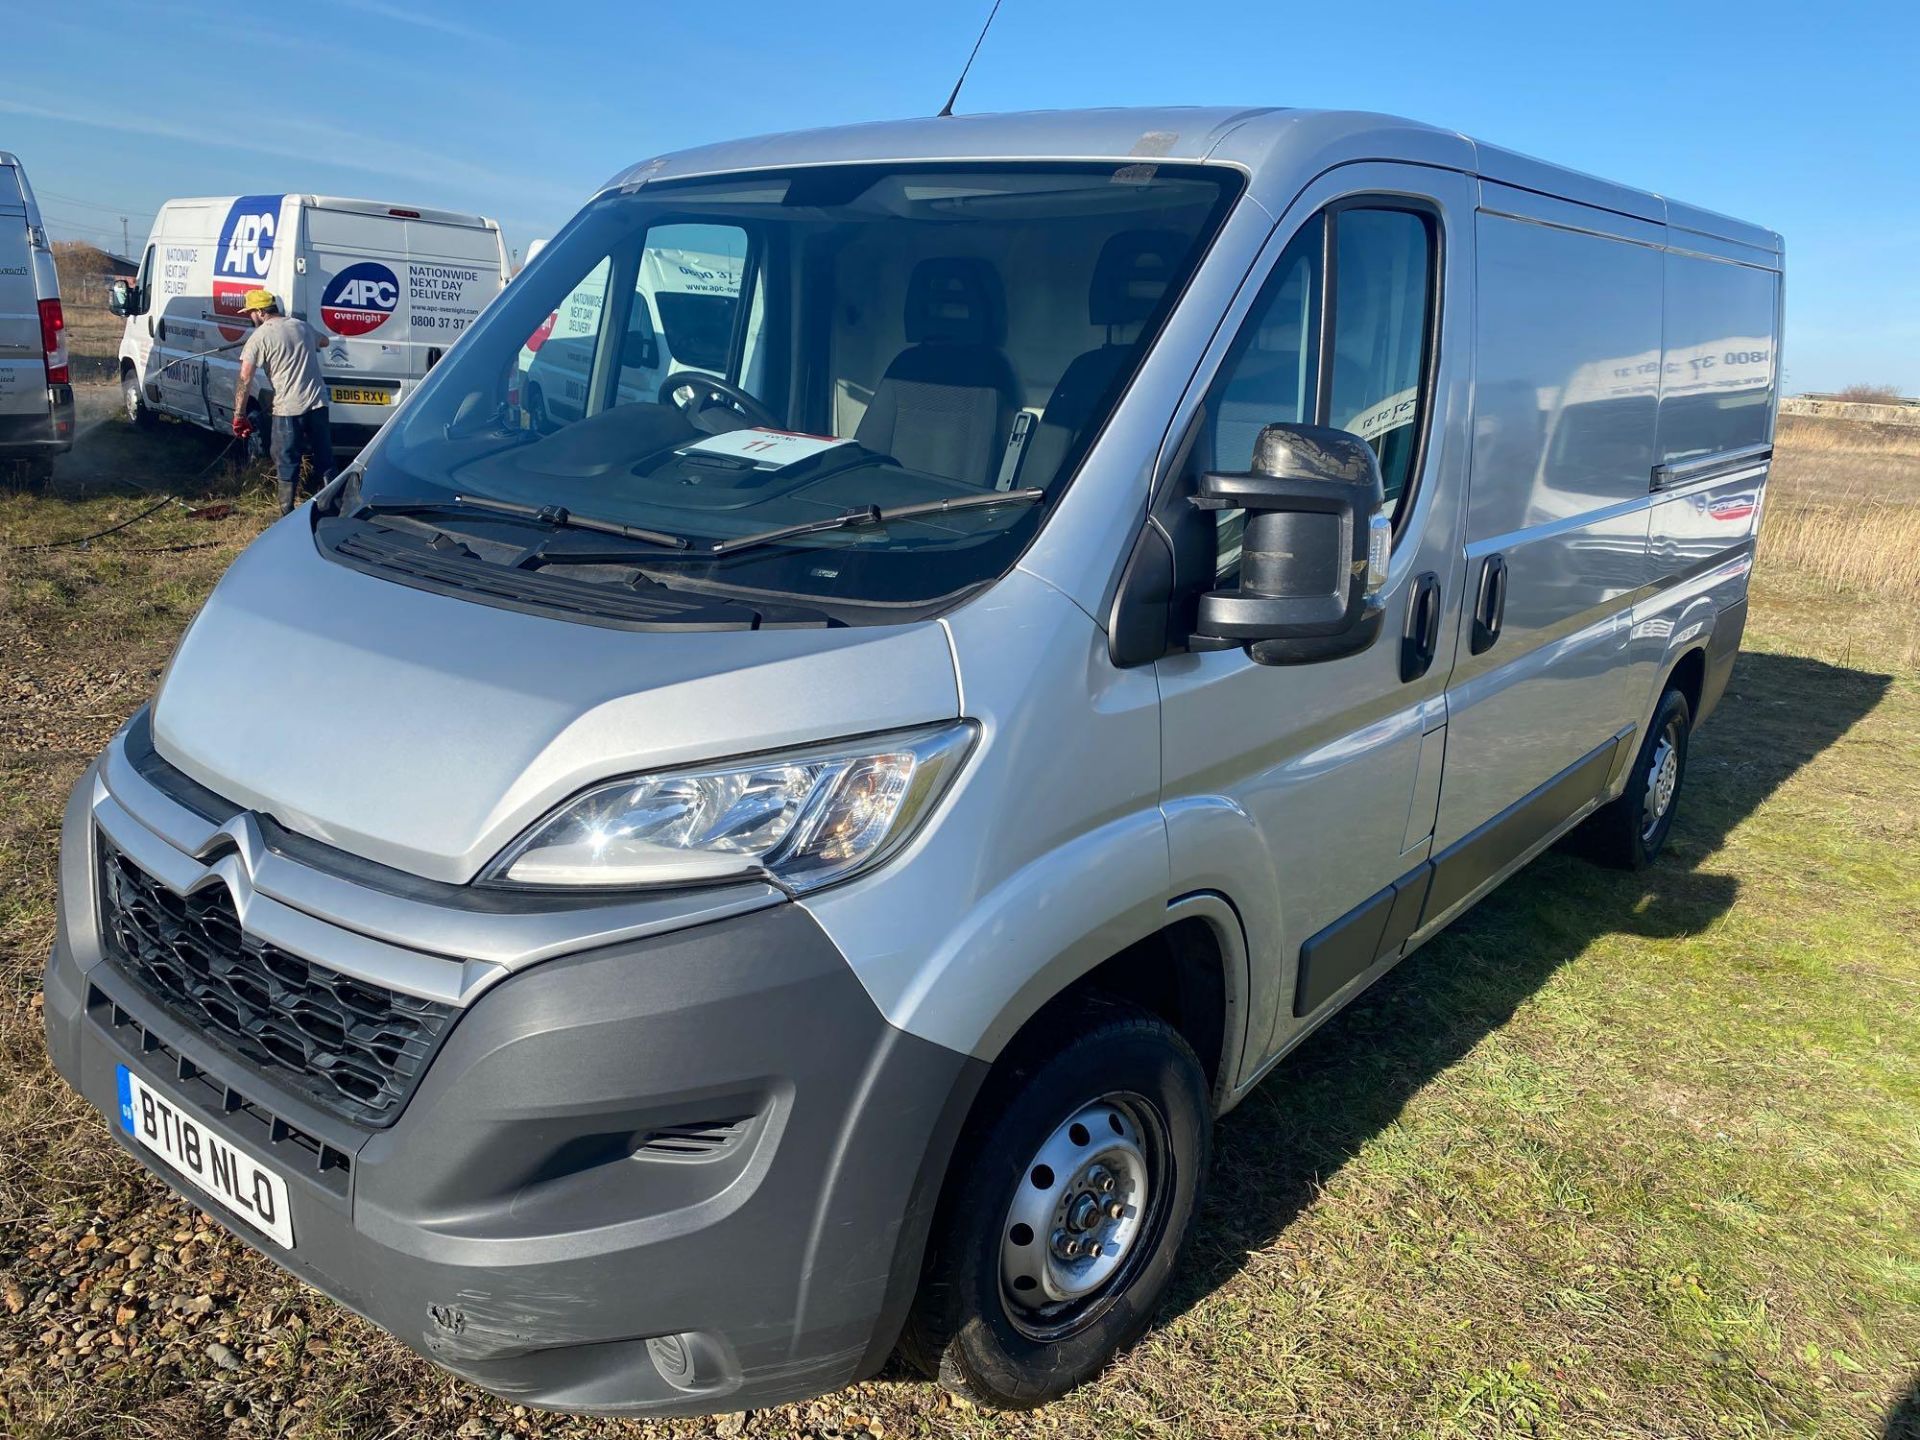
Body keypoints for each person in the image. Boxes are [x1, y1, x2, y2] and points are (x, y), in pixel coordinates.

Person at [232, 289, 336, 514]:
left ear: (260, 311)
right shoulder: (301, 326)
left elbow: (244, 378)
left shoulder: (259, 337)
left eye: (250, 312)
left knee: (286, 459)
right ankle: (332, 508)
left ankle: (286, 512)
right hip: (318, 404)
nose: (250, 317)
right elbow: (325, 341)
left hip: (288, 408)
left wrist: (239, 416)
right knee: (324, 456)